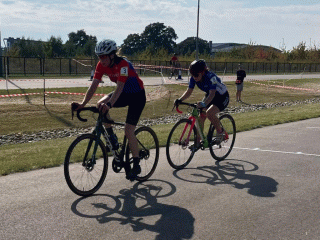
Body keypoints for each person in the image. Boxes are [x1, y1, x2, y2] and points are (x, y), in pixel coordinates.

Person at [72, 39, 146, 181]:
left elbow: (119, 87)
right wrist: (82, 104)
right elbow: (93, 86)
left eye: (104, 56)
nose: (101, 59)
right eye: (99, 57)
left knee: (129, 130)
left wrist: (110, 104)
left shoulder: (123, 65)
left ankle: (136, 163)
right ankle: (112, 138)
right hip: (123, 94)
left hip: (137, 96)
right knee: (100, 105)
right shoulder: (101, 65)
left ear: (112, 55)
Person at [174, 59, 229, 149]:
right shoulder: (194, 78)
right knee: (201, 117)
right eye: (192, 74)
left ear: (203, 72)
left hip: (222, 96)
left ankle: (220, 132)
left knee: (209, 113)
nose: (194, 77)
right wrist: (180, 99)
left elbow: (212, 93)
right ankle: (198, 141)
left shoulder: (211, 77)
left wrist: (203, 104)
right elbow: (189, 91)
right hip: (210, 95)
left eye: (196, 74)